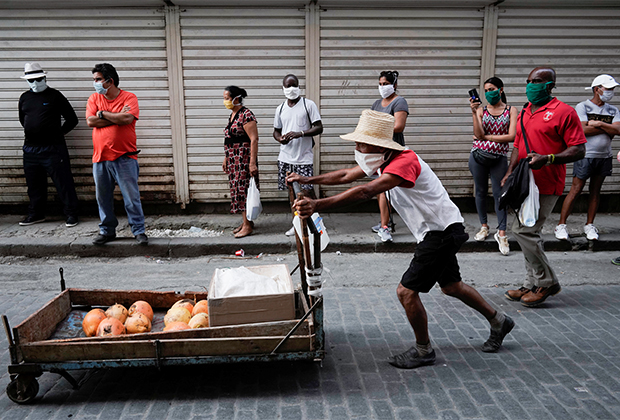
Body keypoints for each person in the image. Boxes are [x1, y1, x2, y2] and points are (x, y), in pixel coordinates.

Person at [288, 110, 514, 369]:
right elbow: (346, 176)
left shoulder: (404, 162)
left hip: (440, 233)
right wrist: (307, 179)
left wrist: (317, 204)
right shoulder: (383, 161)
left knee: (406, 292)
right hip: (441, 229)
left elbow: (365, 191)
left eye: (362, 143)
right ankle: (499, 320)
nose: (358, 148)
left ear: (380, 145)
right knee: (452, 286)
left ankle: (423, 350)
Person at [503, 67, 586, 307]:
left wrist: (548, 158)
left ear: (550, 85)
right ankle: (532, 283)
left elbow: (579, 150)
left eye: (537, 81)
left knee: (524, 231)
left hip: (548, 183)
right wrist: (509, 173)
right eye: (529, 81)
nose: (531, 85)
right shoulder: (526, 111)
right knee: (525, 231)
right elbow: (518, 146)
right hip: (523, 183)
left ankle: (547, 282)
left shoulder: (564, 112)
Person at [86, 63, 148, 245]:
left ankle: (138, 231)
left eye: (97, 79)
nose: (95, 83)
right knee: (103, 198)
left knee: (131, 198)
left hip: (125, 157)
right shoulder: (94, 98)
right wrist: (116, 117)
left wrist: (103, 114)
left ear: (109, 81)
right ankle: (107, 231)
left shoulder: (129, 97)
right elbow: (90, 121)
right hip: (100, 157)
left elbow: (128, 118)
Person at [554, 74, 620, 241]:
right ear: (597, 89)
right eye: (608, 89)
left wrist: (598, 124)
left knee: (595, 191)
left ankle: (589, 225)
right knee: (576, 189)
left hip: (605, 156)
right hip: (585, 155)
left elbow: (618, 130)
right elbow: (583, 130)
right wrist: (608, 127)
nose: (611, 92)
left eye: (612, 89)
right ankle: (561, 225)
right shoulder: (583, 107)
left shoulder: (613, 110)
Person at [18, 62, 79, 227]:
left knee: (63, 182)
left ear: (44, 78)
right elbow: (23, 120)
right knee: (34, 184)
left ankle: (71, 214)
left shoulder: (55, 96)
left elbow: (72, 119)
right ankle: (36, 214)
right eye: (31, 81)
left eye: (38, 79)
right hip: (30, 149)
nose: (35, 84)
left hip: (53, 148)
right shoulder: (24, 97)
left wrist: (57, 134)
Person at [468, 77, 518, 255]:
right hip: (478, 157)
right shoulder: (481, 110)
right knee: (480, 192)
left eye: (492, 89)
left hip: (499, 158)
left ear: (501, 89)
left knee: (500, 194)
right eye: (486, 90)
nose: (489, 93)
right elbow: (477, 133)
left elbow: (512, 136)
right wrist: (474, 113)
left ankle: (502, 232)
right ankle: (483, 226)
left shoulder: (512, 110)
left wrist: (487, 138)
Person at [273, 74, 323, 236]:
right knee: (292, 194)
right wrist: (281, 139)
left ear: (299, 86)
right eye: (288, 86)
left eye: (294, 85)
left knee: (307, 191)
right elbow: (276, 131)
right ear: (283, 88)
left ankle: (316, 222)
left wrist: (300, 133)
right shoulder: (280, 108)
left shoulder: (308, 105)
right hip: (285, 157)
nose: (291, 89)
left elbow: (319, 127)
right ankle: (297, 224)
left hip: (303, 157)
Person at [370, 70, 409, 242]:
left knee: (385, 188)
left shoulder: (399, 102)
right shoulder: (377, 104)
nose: (382, 87)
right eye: (380, 84)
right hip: (379, 151)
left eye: (385, 84)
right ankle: (385, 222)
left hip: (393, 151)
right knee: (381, 189)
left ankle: (385, 226)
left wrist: (377, 128)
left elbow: (399, 126)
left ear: (394, 85)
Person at [222, 85, 259, 238]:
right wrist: (226, 158)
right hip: (233, 160)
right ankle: (246, 221)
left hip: (243, 159)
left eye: (227, 98)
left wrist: (252, 163)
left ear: (236, 99)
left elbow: (254, 139)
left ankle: (248, 225)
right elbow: (230, 138)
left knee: (243, 190)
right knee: (237, 190)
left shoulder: (246, 115)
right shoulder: (233, 115)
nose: (225, 101)